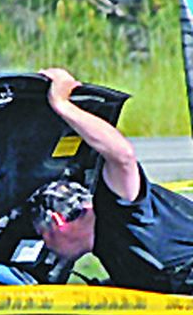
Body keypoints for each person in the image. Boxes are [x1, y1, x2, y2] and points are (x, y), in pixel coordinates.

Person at [29, 68, 193, 293]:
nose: (46, 246)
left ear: (58, 222)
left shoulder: (118, 206)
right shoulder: (108, 249)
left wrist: (62, 104)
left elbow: (123, 156)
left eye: (42, 236)